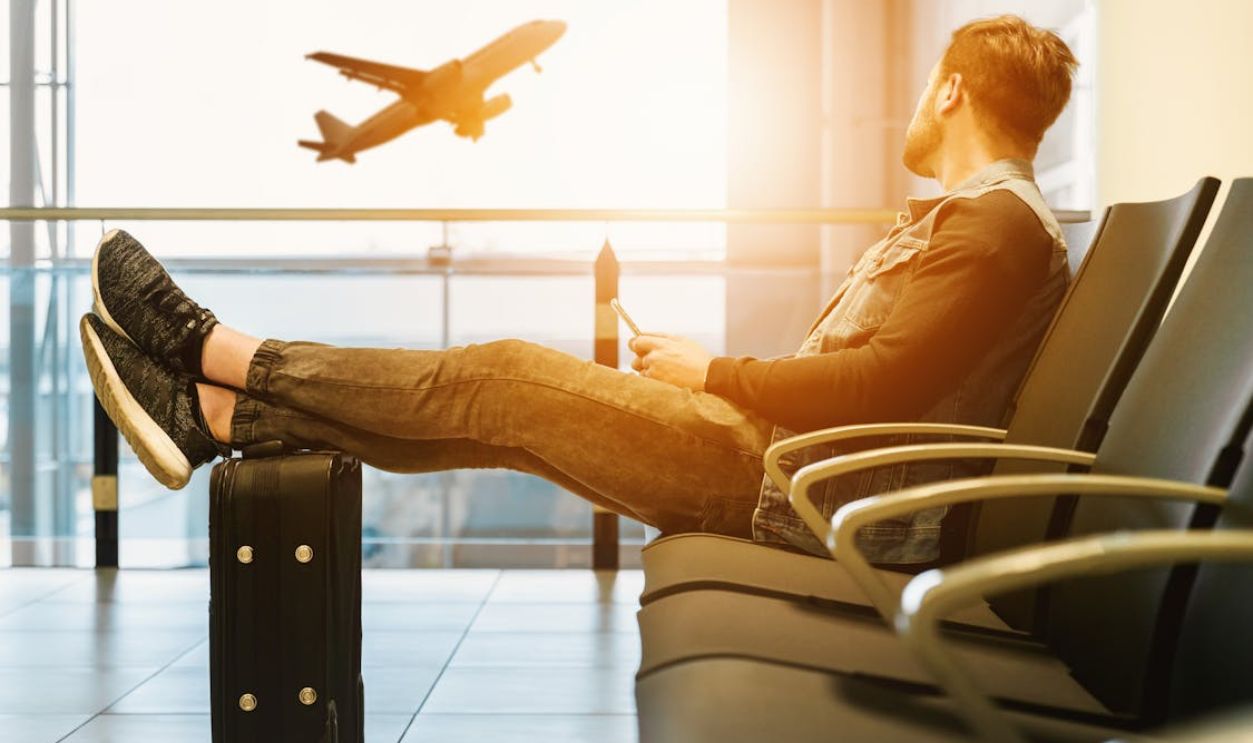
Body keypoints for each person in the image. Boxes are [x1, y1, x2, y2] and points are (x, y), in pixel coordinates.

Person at [80, 15, 1077, 564]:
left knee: (503, 376)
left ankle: (214, 350)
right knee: (504, 422)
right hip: (789, 472)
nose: (912, 107)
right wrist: (717, 377)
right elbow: (881, 380)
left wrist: (716, 370)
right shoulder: (983, 224)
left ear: (948, 90)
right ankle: (216, 414)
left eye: (921, 90)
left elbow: (881, 386)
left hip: (795, 491)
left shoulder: (992, 228)